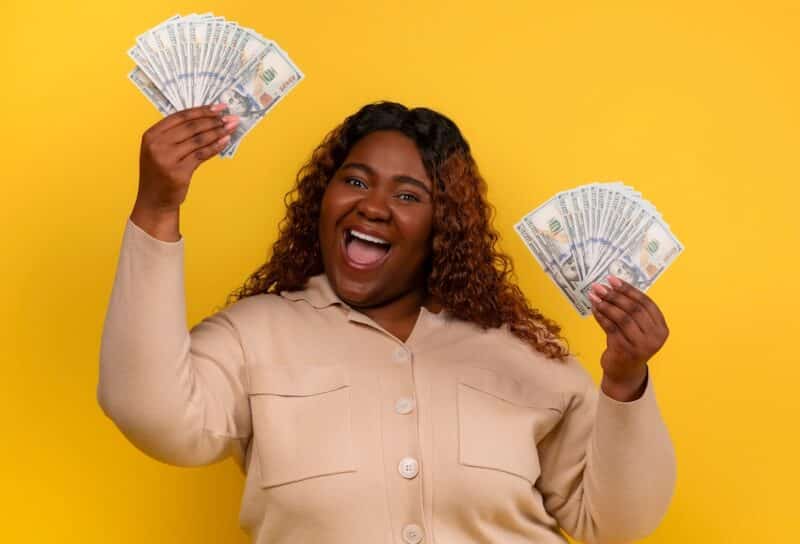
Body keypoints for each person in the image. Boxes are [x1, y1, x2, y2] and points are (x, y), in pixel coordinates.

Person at [98, 101, 676, 544]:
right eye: (354, 181)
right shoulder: (254, 335)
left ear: (443, 227)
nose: (373, 206)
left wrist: (626, 381)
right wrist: (157, 207)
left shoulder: (524, 355)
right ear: (320, 202)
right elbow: (151, 414)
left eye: (408, 194)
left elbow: (614, 521)